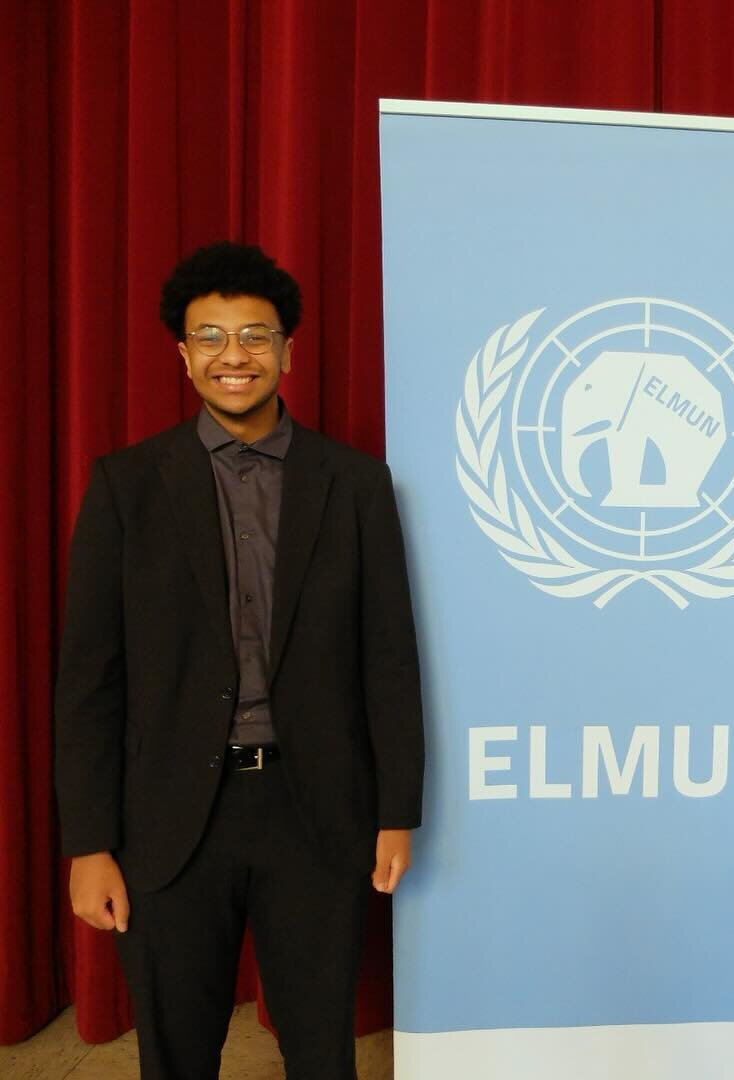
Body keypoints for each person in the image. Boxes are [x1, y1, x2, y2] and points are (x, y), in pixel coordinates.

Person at [54, 241, 425, 1079]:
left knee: (321, 1049)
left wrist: (397, 809)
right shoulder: (125, 486)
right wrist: (90, 844)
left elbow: (389, 660)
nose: (235, 356)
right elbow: (89, 683)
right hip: (169, 816)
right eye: (212, 337)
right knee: (177, 1051)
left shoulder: (356, 485)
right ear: (183, 355)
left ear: (288, 349)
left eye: (255, 335)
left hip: (316, 808)